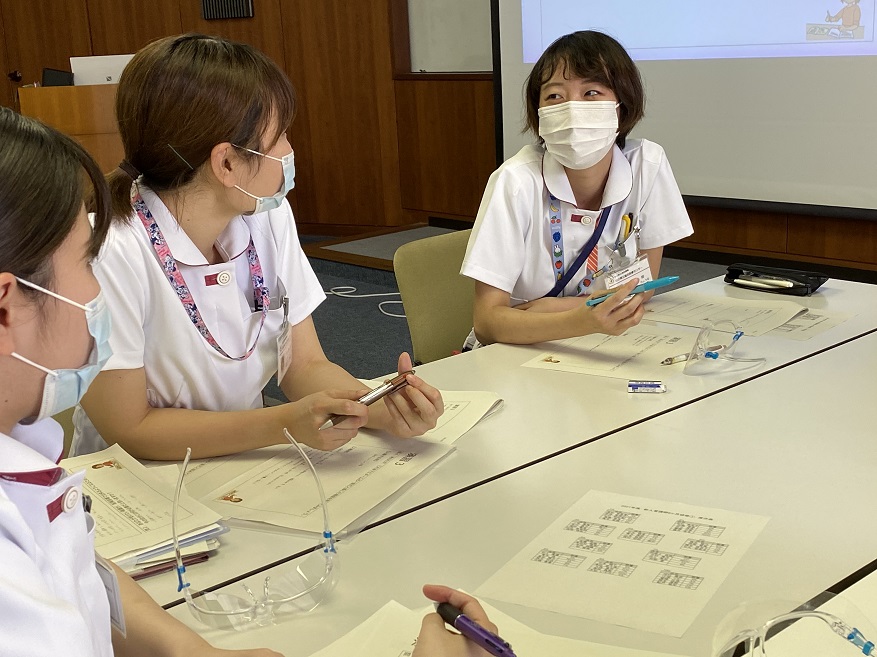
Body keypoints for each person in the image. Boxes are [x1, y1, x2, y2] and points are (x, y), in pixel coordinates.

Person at [73, 34, 443, 460]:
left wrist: (377, 407)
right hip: (139, 481)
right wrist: (284, 423)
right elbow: (131, 428)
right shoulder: (109, 250)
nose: (290, 150)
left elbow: (302, 366)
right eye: (280, 136)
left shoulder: (267, 215)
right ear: (227, 163)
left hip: (243, 460)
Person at [0, 107, 281, 657]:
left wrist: (190, 652)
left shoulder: (24, 442)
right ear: (7, 306)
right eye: (84, 264)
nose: (94, 291)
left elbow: (77, 567)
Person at [461, 31, 693, 347]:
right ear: (539, 115)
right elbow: (488, 324)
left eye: (592, 92)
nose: (572, 109)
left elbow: (643, 287)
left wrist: (548, 308)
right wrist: (580, 318)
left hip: (601, 341)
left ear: (621, 107)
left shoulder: (646, 164)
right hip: (518, 348)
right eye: (555, 96)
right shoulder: (516, 181)